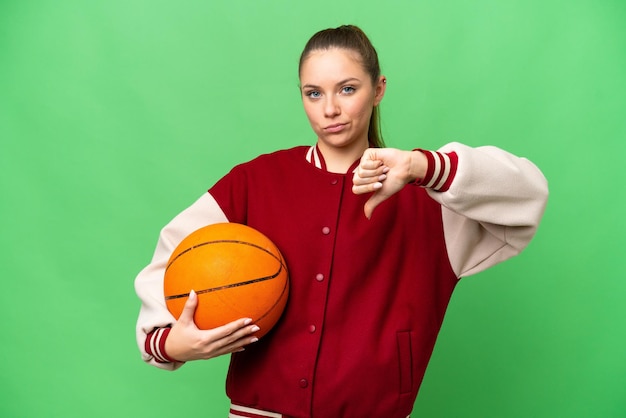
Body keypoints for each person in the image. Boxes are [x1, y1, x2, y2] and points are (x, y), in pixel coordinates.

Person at [135, 24, 548, 418]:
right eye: (313, 94)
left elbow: (528, 195)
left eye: (347, 89)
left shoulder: (429, 201)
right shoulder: (255, 182)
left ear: (378, 89)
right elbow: (171, 259)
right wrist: (171, 344)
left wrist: (422, 166)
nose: (329, 109)